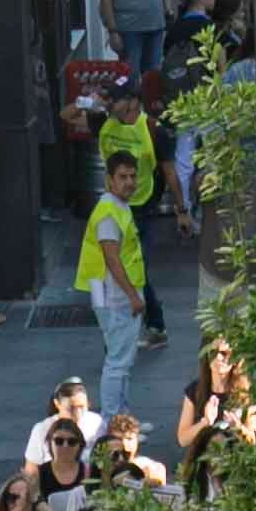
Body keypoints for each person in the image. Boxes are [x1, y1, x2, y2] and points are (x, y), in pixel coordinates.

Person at [81, 147, 153, 420]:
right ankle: (114, 422)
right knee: (118, 362)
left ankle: (122, 418)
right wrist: (133, 296)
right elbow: (112, 259)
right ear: (109, 180)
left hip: (113, 293)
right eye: (123, 177)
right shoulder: (109, 213)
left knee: (122, 360)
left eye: (133, 176)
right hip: (115, 296)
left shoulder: (117, 207)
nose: (130, 182)